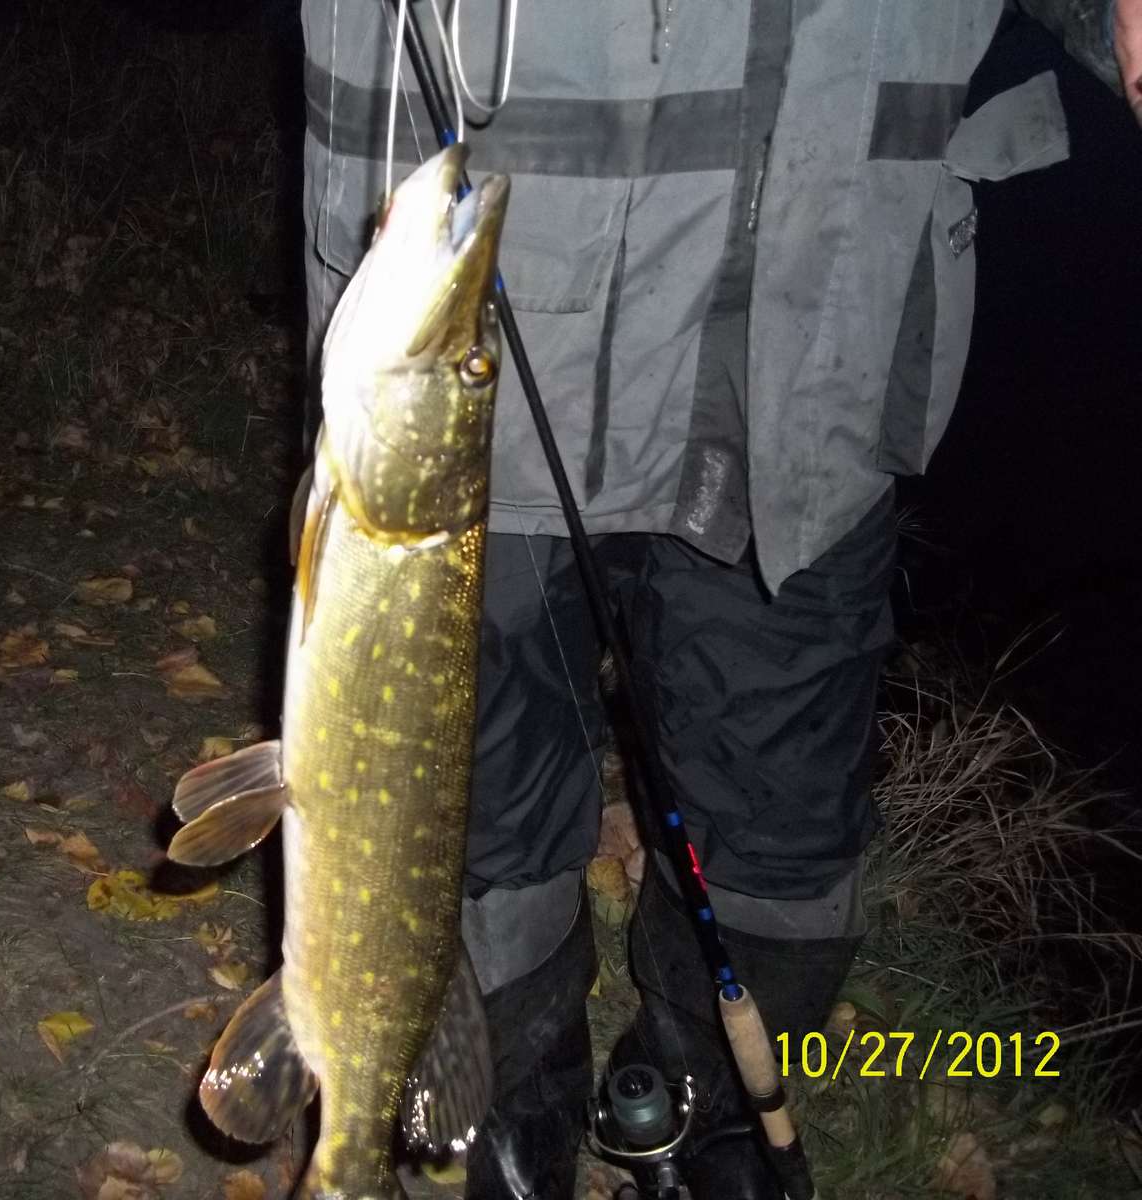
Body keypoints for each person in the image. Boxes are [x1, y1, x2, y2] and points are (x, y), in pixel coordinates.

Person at [296, 3, 1142, 1197]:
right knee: (474, 777)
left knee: (781, 805)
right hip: (500, 310)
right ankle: (512, 1075)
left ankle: (705, 1090)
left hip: (820, 317)